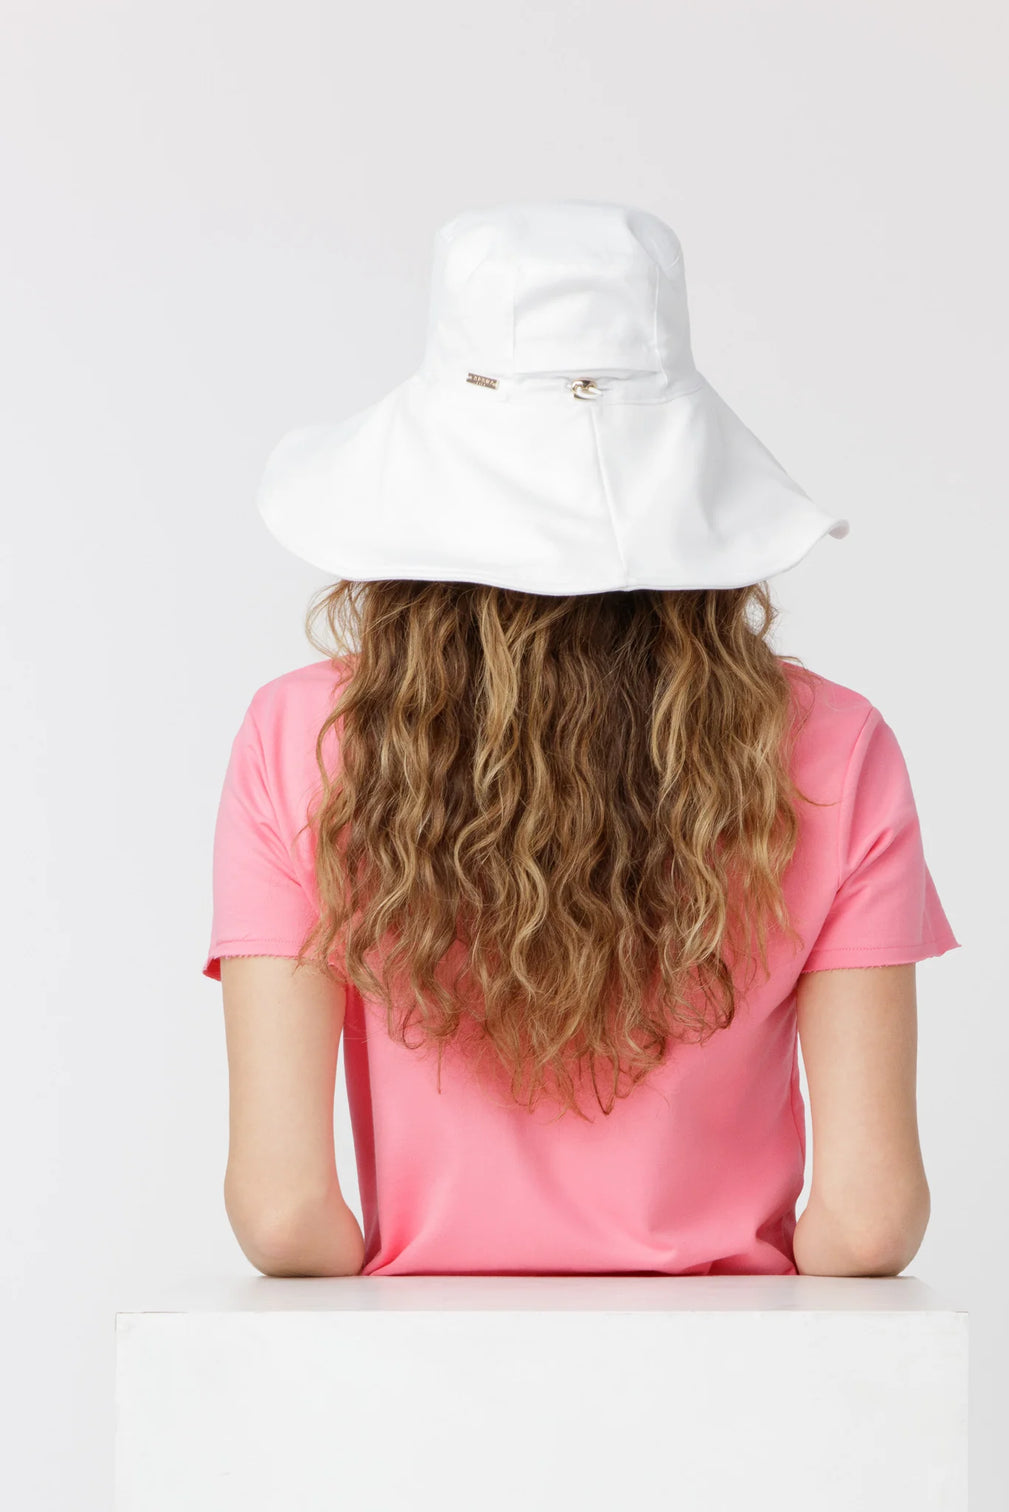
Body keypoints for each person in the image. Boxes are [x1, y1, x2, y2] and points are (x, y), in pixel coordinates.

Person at [201, 201, 960, 1280]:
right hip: (747, 1393)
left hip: (411, 1392)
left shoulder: (297, 740)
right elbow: (871, 1219)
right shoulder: (839, 748)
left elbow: (282, 1215)